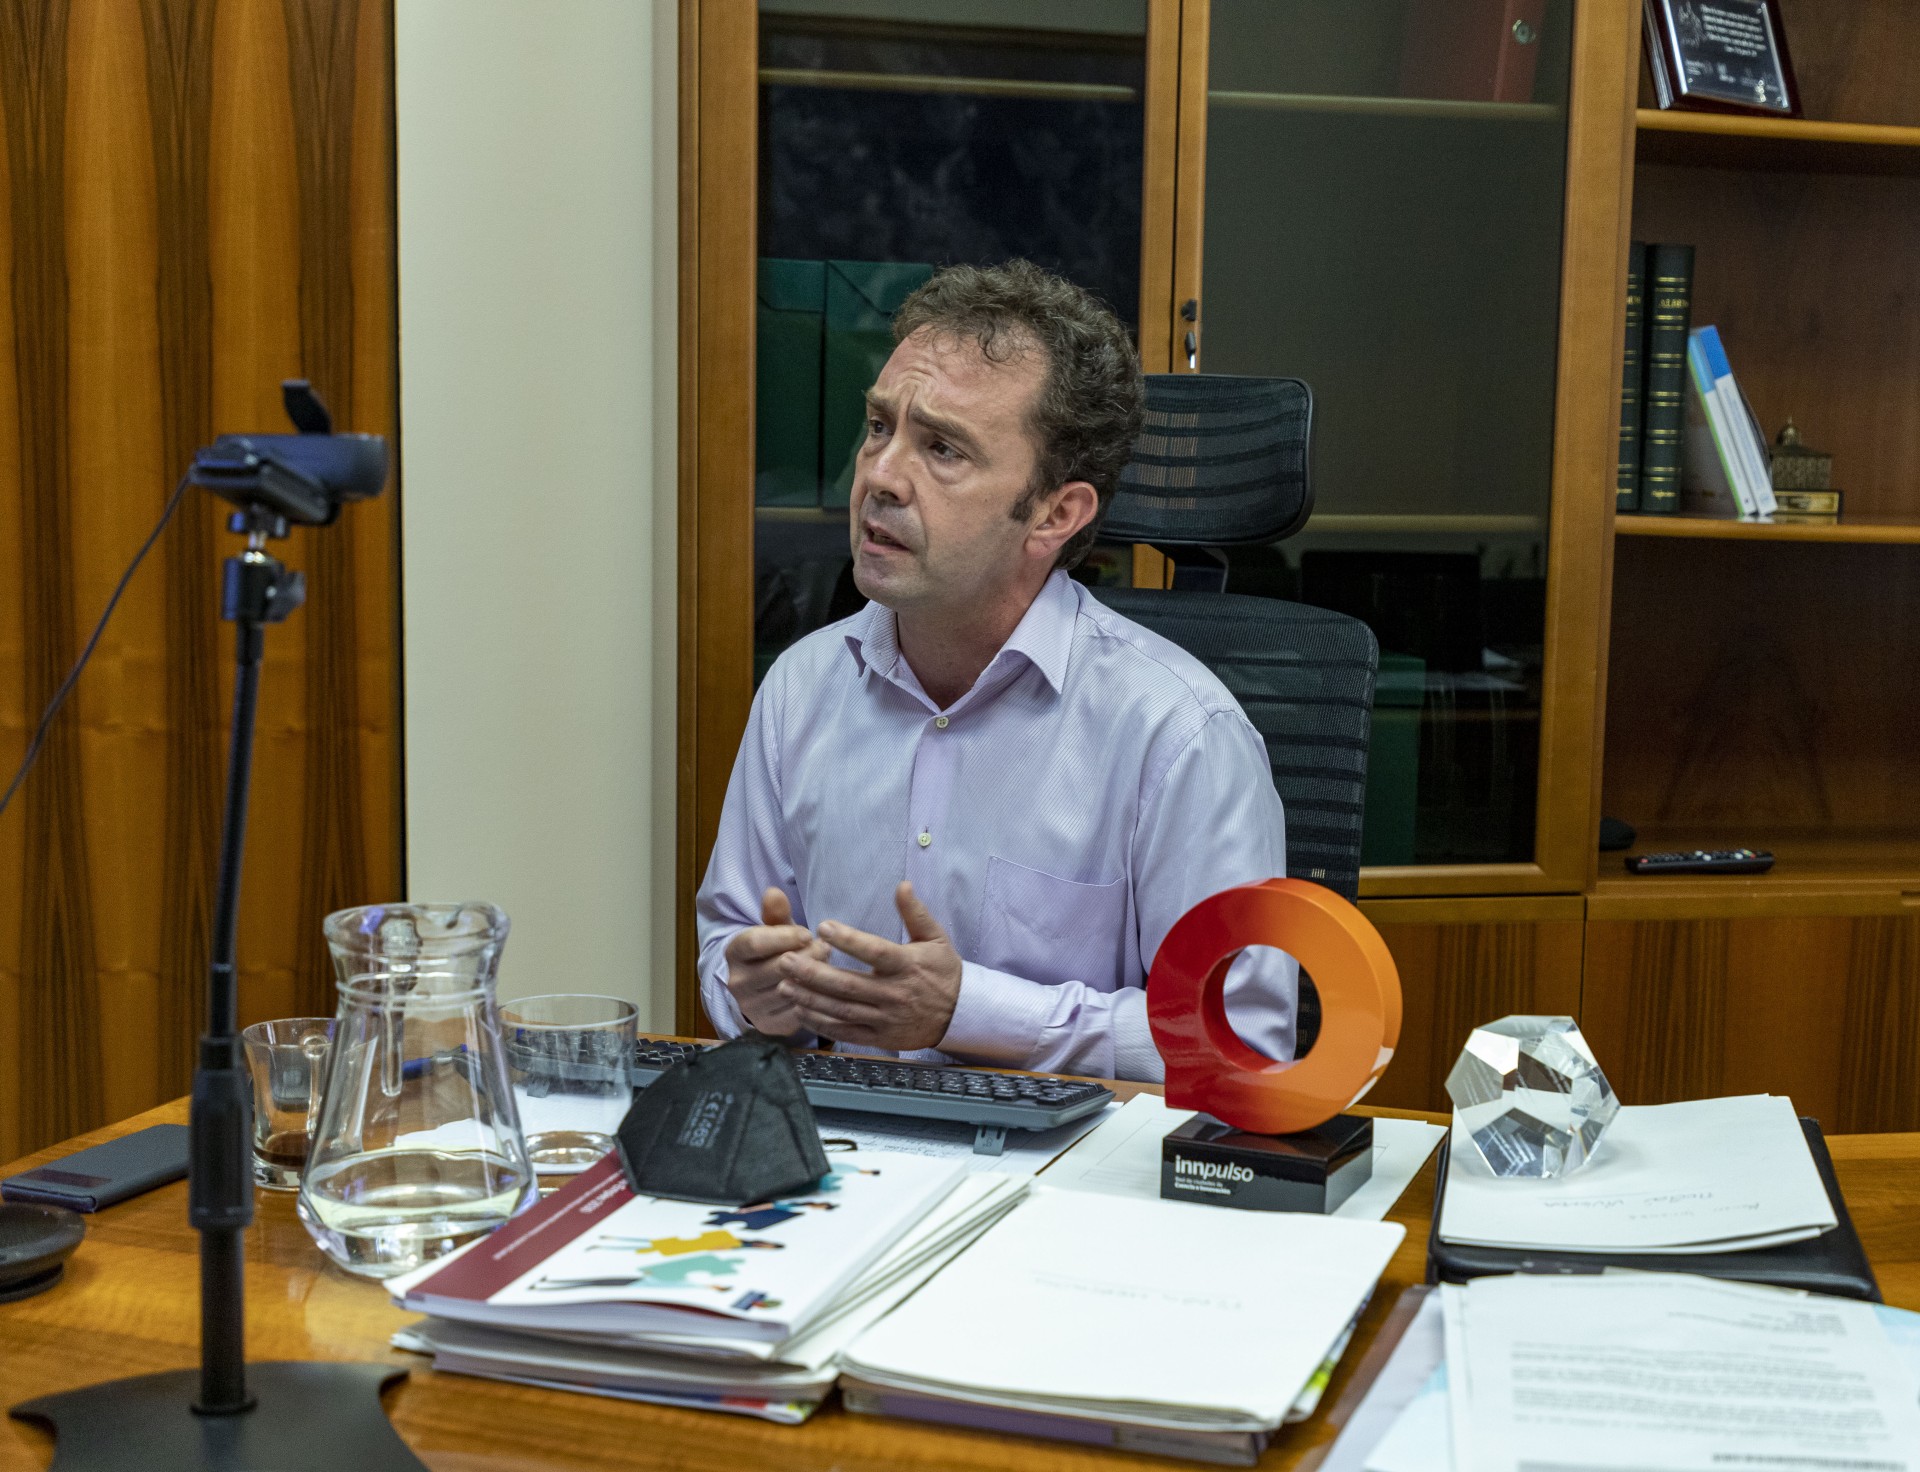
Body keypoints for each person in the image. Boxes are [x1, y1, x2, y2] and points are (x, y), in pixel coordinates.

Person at [696, 260, 1293, 1082]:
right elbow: (729, 946)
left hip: (1071, 1187)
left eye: (942, 448)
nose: (878, 476)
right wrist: (757, 996)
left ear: (1055, 514)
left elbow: (1240, 1042)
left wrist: (970, 1012)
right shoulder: (800, 690)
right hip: (849, 1173)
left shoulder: (1180, 734)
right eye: (878, 427)